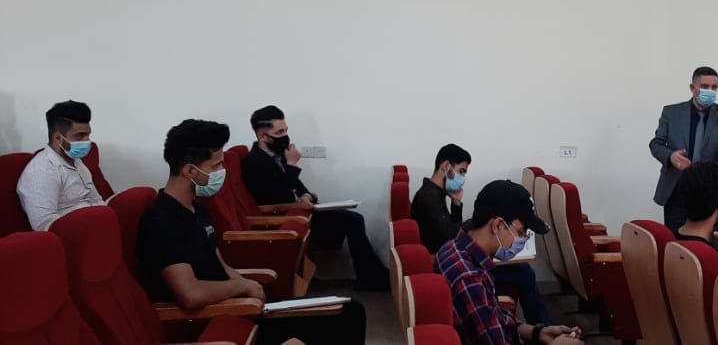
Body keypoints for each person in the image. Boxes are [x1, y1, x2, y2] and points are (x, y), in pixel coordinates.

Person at [137, 119, 366, 345]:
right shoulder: (162, 221)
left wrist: (249, 285)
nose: (222, 172)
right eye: (216, 166)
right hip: (214, 317)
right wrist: (242, 286)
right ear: (190, 171)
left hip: (238, 305)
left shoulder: (196, 209)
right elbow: (190, 294)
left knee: (346, 310)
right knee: (346, 316)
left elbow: (220, 267)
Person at [242, 105, 388, 290]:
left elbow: (296, 185)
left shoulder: (277, 154)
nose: (285, 136)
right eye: (279, 132)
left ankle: (372, 275)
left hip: (299, 211)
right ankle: (370, 277)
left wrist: (306, 194)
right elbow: (276, 197)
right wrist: (292, 165)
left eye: (286, 130)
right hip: (281, 218)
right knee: (352, 221)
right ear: (262, 136)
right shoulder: (255, 162)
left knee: (354, 218)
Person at [411, 144, 551, 325]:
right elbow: (448, 234)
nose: (462, 178)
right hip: (441, 259)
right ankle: (541, 324)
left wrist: (456, 204)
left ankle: (538, 327)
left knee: (521, 270)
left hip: (446, 255)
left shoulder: (435, 194)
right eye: (461, 171)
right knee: (524, 272)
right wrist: (480, 221)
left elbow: (449, 228)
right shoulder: (429, 197)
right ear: (446, 167)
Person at [435, 180, 583, 345]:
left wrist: (537, 332)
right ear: (497, 225)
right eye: (520, 232)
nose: (521, 240)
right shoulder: (469, 280)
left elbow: (493, 318)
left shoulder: (452, 249)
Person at [649, 66, 718, 231]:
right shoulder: (671, 112)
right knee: (675, 241)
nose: (710, 91)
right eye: (705, 86)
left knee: (710, 242)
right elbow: (656, 144)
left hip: (710, 192)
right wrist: (671, 156)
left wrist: (707, 174)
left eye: (714, 87)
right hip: (677, 189)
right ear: (692, 87)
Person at [17, 100, 104, 231]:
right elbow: (45, 225)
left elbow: (97, 201)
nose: (87, 141)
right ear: (58, 138)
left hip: (98, 225)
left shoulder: (77, 162)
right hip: (74, 235)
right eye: (80, 136)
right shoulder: (41, 171)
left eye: (88, 135)